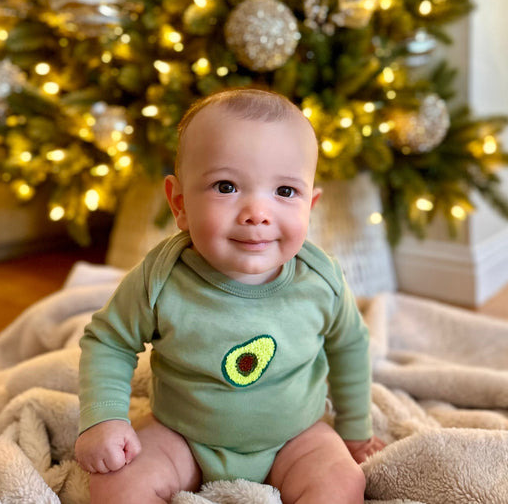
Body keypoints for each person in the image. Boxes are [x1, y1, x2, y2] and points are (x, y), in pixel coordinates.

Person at [75, 87, 384, 504]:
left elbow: (349, 345)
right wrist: (104, 418)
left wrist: (355, 430)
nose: (257, 213)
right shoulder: (162, 276)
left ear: (310, 206)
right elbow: (109, 340)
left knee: (343, 484)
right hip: (181, 435)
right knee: (116, 483)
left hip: (296, 437)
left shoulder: (320, 280)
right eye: (226, 186)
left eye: (285, 192)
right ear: (179, 203)